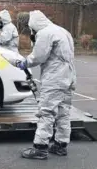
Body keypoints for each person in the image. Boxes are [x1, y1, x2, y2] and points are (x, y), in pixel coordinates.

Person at [4, 10, 76, 159]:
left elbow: (39, 56)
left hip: (55, 78)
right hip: (69, 76)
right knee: (63, 111)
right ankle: (61, 145)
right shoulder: (62, 31)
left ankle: (40, 148)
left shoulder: (45, 33)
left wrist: (24, 63)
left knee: (46, 112)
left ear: (34, 25)